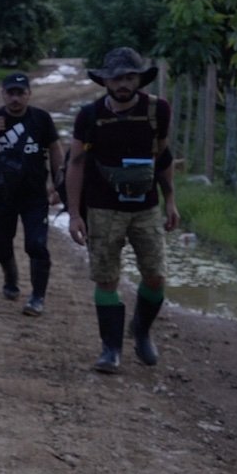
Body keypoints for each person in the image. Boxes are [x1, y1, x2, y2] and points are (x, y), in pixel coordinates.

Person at [65, 47, 179, 374]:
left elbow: (164, 158)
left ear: (140, 79)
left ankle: (141, 330)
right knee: (106, 278)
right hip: (102, 207)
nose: (124, 84)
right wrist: (75, 213)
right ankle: (110, 349)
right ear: (106, 81)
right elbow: (75, 165)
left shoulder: (158, 111)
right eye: (117, 78)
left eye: (130, 77)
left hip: (146, 206)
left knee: (156, 275)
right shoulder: (90, 116)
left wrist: (171, 201)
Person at [0, 72, 65, 316]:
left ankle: (37, 297)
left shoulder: (41, 118)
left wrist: (58, 184)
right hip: (0, 194)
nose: (15, 99)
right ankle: (10, 276)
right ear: (3, 94)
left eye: (20, 93)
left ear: (29, 94)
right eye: (11, 93)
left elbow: (55, 149)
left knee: (37, 245)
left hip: (34, 195)